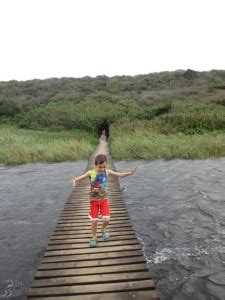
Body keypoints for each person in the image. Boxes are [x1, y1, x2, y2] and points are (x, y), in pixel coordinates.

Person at [71, 154, 137, 248]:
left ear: (107, 164)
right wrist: (75, 180)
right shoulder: (91, 173)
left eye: (104, 167)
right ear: (95, 165)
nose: (102, 169)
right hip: (94, 201)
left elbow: (119, 175)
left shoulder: (107, 171)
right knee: (94, 221)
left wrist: (130, 173)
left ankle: (103, 229)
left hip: (104, 200)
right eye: (100, 167)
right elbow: (79, 178)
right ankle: (94, 237)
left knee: (106, 219)